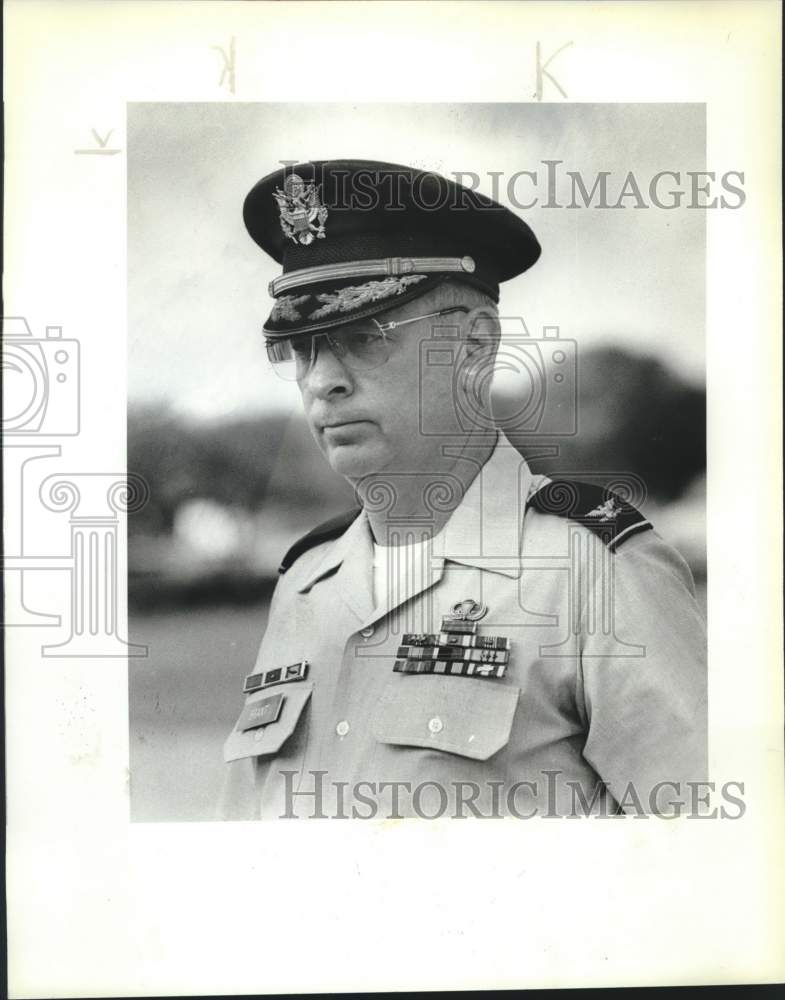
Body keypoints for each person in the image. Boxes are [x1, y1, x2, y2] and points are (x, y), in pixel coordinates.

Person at [219, 159, 707, 820]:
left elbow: (711, 858)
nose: (321, 381)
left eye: (363, 337)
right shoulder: (306, 582)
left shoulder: (592, 570)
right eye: (301, 348)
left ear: (474, 344)